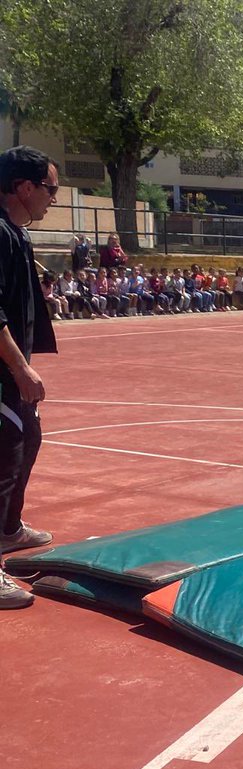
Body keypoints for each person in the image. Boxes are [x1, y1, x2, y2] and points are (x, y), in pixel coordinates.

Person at [0, 146, 59, 609]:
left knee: (28, 440)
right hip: (2, 373)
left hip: (11, 373)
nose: (53, 199)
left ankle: (8, 530)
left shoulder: (15, 234)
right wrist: (20, 367)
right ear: (24, 187)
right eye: (50, 189)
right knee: (3, 459)